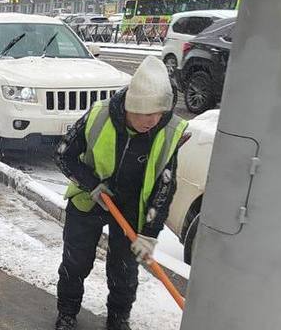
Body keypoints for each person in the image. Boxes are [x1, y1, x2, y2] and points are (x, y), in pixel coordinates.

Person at [53, 56, 188, 330]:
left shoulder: (168, 130)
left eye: (158, 113)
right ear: (130, 106)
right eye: (144, 114)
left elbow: (165, 185)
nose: (152, 121)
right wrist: (92, 184)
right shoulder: (99, 114)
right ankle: (67, 313)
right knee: (76, 261)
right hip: (89, 199)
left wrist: (150, 232)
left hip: (131, 206)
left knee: (124, 270)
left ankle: (118, 319)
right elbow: (63, 155)